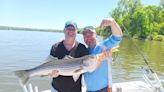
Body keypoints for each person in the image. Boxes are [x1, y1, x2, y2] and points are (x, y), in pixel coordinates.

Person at [82, 17, 123, 92]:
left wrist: (112, 23)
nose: (88, 37)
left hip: (104, 89)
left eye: (91, 34)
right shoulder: (83, 52)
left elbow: (118, 37)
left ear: (96, 35)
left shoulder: (104, 46)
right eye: (85, 36)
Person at [49, 20, 89, 92]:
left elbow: (89, 66)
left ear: (76, 32)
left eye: (73, 29)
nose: (71, 31)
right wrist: (51, 74)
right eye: (68, 29)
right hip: (56, 89)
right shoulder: (55, 47)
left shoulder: (82, 48)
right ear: (64, 31)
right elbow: (49, 66)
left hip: (75, 90)